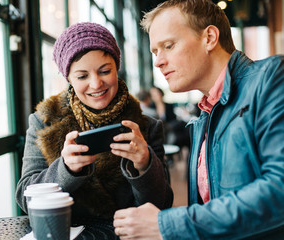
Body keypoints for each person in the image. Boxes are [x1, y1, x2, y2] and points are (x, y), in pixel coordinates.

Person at [113, 0, 284, 239]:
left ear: (210, 38)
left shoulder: (271, 78)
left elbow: (279, 189)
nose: (158, 61)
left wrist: (169, 225)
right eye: (155, 51)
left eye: (168, 46)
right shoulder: (205, 115)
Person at [15, 22, 173, 224]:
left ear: (117, 68)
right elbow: (25, 199)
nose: (96, 84)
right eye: (82, 76)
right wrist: (66, 170)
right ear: (69, 78)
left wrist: (144, 165)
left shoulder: (147, 126)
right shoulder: (43, 121)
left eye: (105, 71)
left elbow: (163, 206)